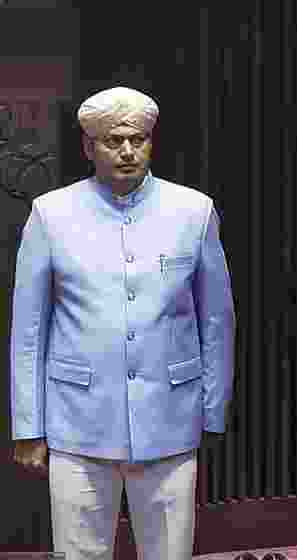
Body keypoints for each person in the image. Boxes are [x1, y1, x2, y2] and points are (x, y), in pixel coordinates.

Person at [9, 86, 236, 560]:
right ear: (89, 147)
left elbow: (216, 321)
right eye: (114, 140)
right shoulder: (51, 214)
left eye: (139, 138)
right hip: (77, 421)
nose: (128, 151)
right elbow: (29, 329)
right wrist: (28, 426)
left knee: (170, 552)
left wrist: (212, 408)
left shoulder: (193, 211)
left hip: (170, 417)